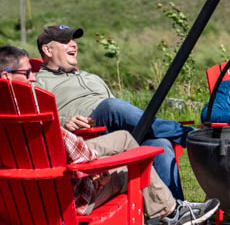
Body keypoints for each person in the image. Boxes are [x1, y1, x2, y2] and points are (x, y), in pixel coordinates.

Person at [0, 45, 220, 225]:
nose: (33, 78)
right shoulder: (33, 115)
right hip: (62, 207)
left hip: (18, 204)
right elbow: (80, 153)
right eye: (27, 73)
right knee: (131, 166)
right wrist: (95, 166)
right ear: (7, 76)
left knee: (130, 145)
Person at [33, 26, 191, 201]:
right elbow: (37, 122)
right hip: (88, 134)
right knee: (111, 105)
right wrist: (64, 122)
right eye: (65, 41)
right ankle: (188, 136)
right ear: (47, 49)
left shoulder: (91, 77)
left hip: (119, 134)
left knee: (159, 143)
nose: (73, 45)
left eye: (73, 40)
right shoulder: (38, 83)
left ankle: (178, 215)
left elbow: (122, 113)